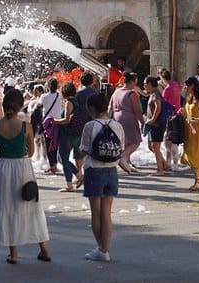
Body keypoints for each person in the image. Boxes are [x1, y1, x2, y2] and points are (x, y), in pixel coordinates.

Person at [0, 88, 51, 265]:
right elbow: (30, 152)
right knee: (30, 205)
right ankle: (44, 250)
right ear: (20, 105)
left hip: (4, 167)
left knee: (7, 207)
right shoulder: (26, 125)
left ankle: (13, 253)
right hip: (23, 168)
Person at [76, 92, 124, 262]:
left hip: (94, 171)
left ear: (91, 108)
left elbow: (83, 150)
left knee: (96, 214)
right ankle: (104, 249)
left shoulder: (90, 126)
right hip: (112, 172)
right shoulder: (117, 126)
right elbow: (121, 149)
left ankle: (102, 250)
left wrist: (79, 172)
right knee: (106, 213)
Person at [110, 72, 144, 173]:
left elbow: (110, 106)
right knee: (135, 142)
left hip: (116, 118)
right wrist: (142, 121)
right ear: (133, 81)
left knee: (125, 142)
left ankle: (127, 163)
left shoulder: (116, 91)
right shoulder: (131, 94)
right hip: (128, 118)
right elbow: (137, 110)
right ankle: (123, 158)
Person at [52, 82, 82, 191]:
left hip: (67, 134)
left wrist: (55, 121)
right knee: (61, 158)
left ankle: (69, 185)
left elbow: (66, 120)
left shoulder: (68, 103)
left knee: (63, 159)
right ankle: (79, 175)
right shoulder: (76, 102)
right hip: (74, 134)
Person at [143, 76, 167, 175]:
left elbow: (158, 108)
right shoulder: (152, 94)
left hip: (157, 124)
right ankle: (164, 164)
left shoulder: (156, 95)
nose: (144, 86)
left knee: (155, 147)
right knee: (151, 146)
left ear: (150, 85)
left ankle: (160, 170)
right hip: (153, 124)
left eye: (145, 84)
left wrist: (153, 119)